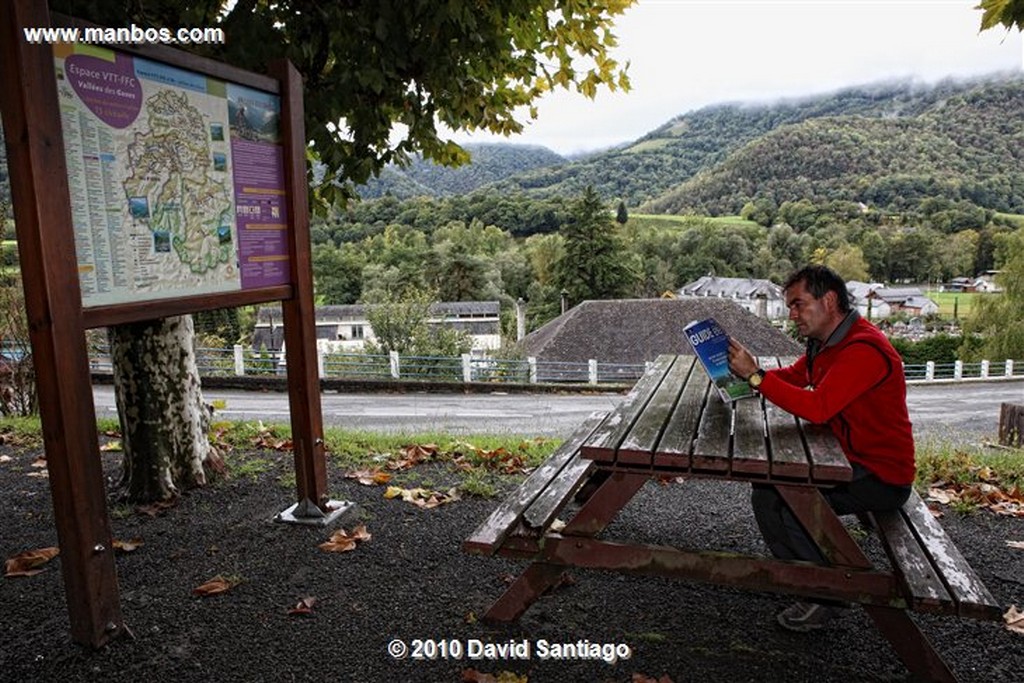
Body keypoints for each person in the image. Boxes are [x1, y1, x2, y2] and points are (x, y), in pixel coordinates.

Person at [727, 265, 915, 632]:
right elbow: (796, 377)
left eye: (799, 305)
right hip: (849, 458)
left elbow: (818, 407)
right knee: (767, 490)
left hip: (881, 475)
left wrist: (756, 377)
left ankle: (829, 595)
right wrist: (748, 377)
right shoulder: (827, 344)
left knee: (797, 504)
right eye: (790, 306)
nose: (792, 315)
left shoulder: (864, 349)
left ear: (828, 301)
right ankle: (803, 579)